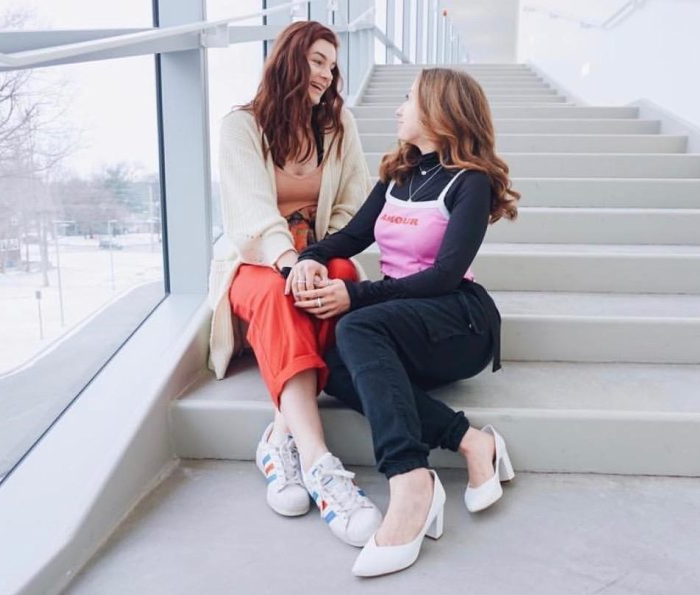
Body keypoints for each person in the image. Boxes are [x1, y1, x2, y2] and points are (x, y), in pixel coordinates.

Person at [289, 67, 521, 576]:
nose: (398, 108)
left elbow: (444, 276)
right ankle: (469, 440)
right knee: (334, 365)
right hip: (403, 319)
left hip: (459, 320)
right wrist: (308, 258)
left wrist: (355, 293)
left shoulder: (470, 183)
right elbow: (350, 238)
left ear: (440, 110)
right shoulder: (399, 177)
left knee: (356, 326)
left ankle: (411, 478)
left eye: (408, 98)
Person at [207, 21, 381, 547]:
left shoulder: (340, 126)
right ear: (289, 58)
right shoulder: (241, 126)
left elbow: (354, 204)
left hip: (320, 254)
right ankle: (318, 462)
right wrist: (290, 261)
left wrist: (319, 256)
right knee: (281, 297)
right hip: (257, 262)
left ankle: (279, 438)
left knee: (344, 281)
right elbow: (250, 216)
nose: (328, 75)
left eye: (333, 65)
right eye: (318, 60)